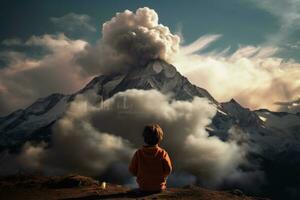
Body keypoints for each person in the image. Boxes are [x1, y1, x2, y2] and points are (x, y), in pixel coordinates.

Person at [129, 124, 172, 193]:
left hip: (143, 187)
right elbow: (168, 170)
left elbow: (132, 170)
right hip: (159, 187)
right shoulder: (163, 153)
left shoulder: (138, 153)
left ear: (144, 138)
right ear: (159, 138)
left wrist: (141, 174)